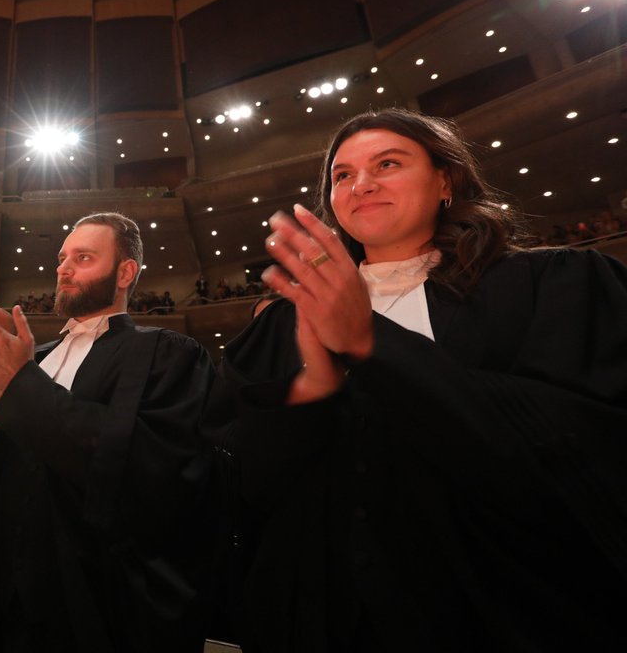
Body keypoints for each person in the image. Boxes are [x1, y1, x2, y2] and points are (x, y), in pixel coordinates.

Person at [219, 108, 627, 651]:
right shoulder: (281, 322)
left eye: (388, 163)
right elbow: (243, 489)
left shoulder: (555, 283)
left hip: (509, 612)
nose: (362, 184)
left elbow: (578, 453)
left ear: (445, 180)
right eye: (342, 175)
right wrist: (308, 394)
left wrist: (371, 343)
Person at [0, 212, 224, 652]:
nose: (63, 268)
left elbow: (152, 466)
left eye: (84, 257)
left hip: (92, 604)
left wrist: (19, 387)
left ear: (125, 272)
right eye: (61, 258)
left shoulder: (168, 354)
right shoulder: (29, 358)